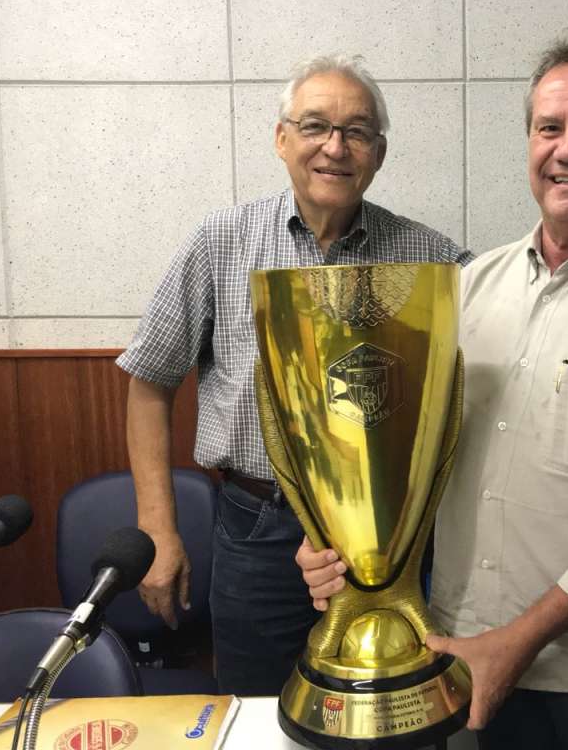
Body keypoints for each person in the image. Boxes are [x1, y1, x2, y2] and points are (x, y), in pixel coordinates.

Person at [299, 34, 568, 749]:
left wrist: (519, 640)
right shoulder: (471, 290)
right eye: (549, 128)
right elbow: (405, 464)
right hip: (472, 655)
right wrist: (335, 543)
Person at [117, 53, 473, 696]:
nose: (335, 147)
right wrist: (158, 531)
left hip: (399, 536)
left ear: (379, 152)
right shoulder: (221, 241)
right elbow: (149, 381)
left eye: (357, 131)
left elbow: (514, 335)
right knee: (259, 708)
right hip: (259, 528)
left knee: (399, 716)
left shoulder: (434, 258)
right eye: (314, 126)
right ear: (281, 139)